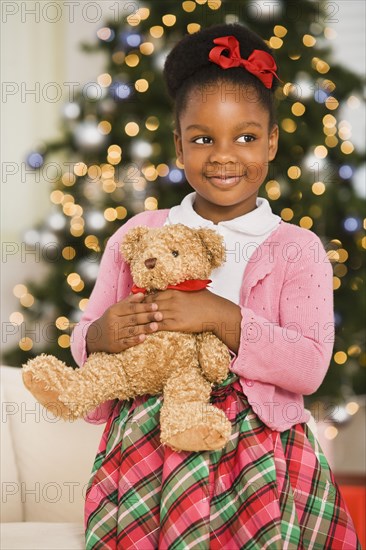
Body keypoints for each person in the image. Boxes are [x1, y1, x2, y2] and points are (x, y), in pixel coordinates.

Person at [71, 22, 360, 550]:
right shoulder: (139, 236)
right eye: (203, 139)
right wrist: (96, 337)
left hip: (260, 450)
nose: (224, 156)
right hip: (150, 443)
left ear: (271, 141)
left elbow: (309, 365)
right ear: (179, 147)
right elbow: (90, 334)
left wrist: (219, 316)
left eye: (246, 137)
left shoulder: (298, 249)